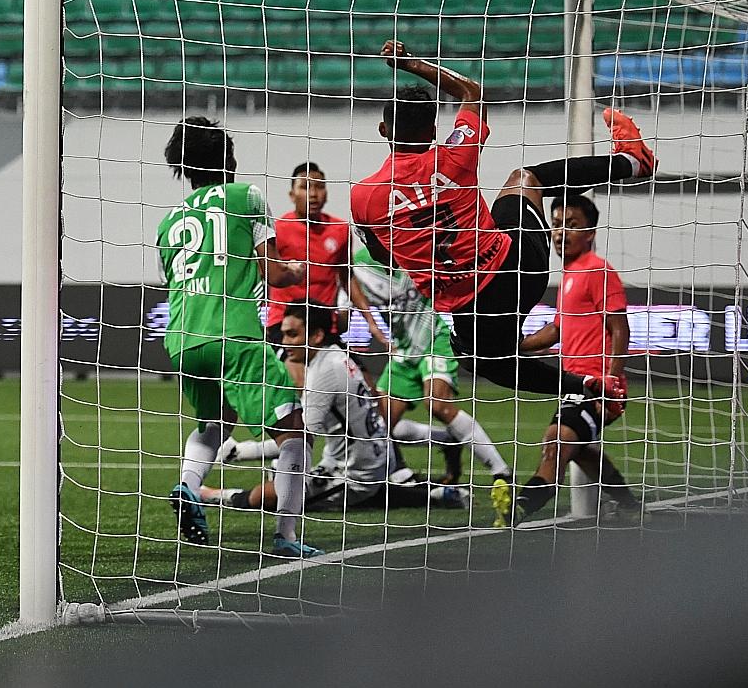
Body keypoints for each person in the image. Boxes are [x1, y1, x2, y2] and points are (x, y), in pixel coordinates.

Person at [348, 40, 649, 408]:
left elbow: (383, 256)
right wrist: (410, 63)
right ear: (431, 133)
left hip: (469, 304)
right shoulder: (456, 153)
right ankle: (632, 163)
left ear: (383, 129)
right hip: (518, 266)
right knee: (526, 179)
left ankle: (585, 385)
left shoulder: (364, 197)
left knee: (488, 361)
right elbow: (471, 92)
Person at [155, 116, 323, 560]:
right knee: (296, 435)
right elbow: (270, 269)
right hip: (236, 335)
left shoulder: (169, 221)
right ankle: (287, 536)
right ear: (229, 160)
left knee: (214, 423)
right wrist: (296, 271)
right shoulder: (246, 196)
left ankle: (189, 485)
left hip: (184, 340)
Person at [218, 307, 469, 513]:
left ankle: (207, 495)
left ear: (316, 335)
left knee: (275, 494)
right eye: (283, 335)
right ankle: (436, 494)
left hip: (356, 470)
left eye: (293, 335)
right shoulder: (339, 355)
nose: (285, 343)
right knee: (283, 470)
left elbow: (300, 440)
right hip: (373, 456)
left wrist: (240, 452)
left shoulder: (323, 374)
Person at [504, 194, 641, 525]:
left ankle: (521, 505)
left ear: (590, 232)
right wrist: (515, 346)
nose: (561, 233)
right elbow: (556, 330)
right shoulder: (570, 273)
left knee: (557, 439)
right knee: (579, 451)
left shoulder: (597, 269)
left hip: (597, 387)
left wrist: (610, 381)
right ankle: (631, 507)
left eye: (572, 225)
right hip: (575, 384)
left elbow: (620, 329)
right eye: (556, 225)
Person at [350, 240, 513, 491]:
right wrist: (370, 320)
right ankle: (447, 441)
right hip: (403, 349)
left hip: (434, 338)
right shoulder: (360, 263)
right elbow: (347, 282)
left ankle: (501, 472)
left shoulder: (414, 250)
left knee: (437, 405)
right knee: (380, 423)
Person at [265, 160, 386, 349]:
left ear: (327, 193)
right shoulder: (277, 229)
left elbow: (348, 278)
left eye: (320, 187)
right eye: (305, 187)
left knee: (359, 378)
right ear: (292, 194)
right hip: (284, 325)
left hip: (324, 328)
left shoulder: (340, 230)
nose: (313, 194)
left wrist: (371, 320)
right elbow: (262, 274)